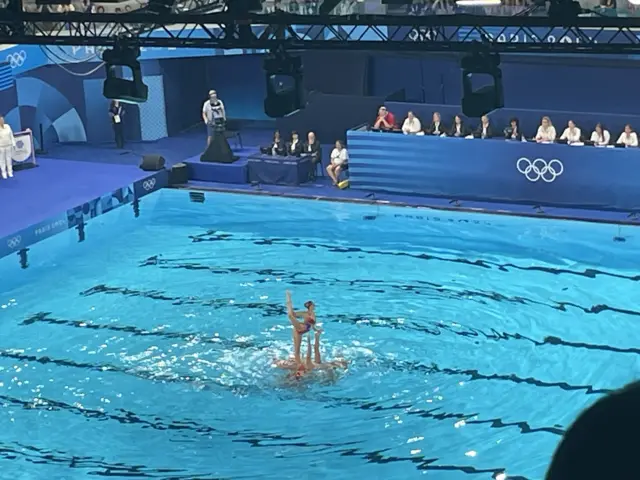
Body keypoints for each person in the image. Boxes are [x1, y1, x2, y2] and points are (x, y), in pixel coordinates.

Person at [285, 290, 319, 364]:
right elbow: (293, 314)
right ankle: (288, 297)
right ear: (310, 306)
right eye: (313, 305)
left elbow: (313, 325)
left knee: (297, 348)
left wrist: (316, 330)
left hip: (304, 329)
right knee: (290, 315)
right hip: (299, 328)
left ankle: (298, 363)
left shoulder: (313, 314)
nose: (314, 306)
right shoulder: (305, 313)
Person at [0, 116, 16, 180]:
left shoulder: (7, 126)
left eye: (2, 120)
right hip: (1, 147)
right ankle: (4, 172)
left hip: (9, 145)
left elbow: (11, 135)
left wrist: (13, 143)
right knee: (2, 160)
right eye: (0, 120)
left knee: (9, 159)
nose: (2, 121)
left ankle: (10, 172)